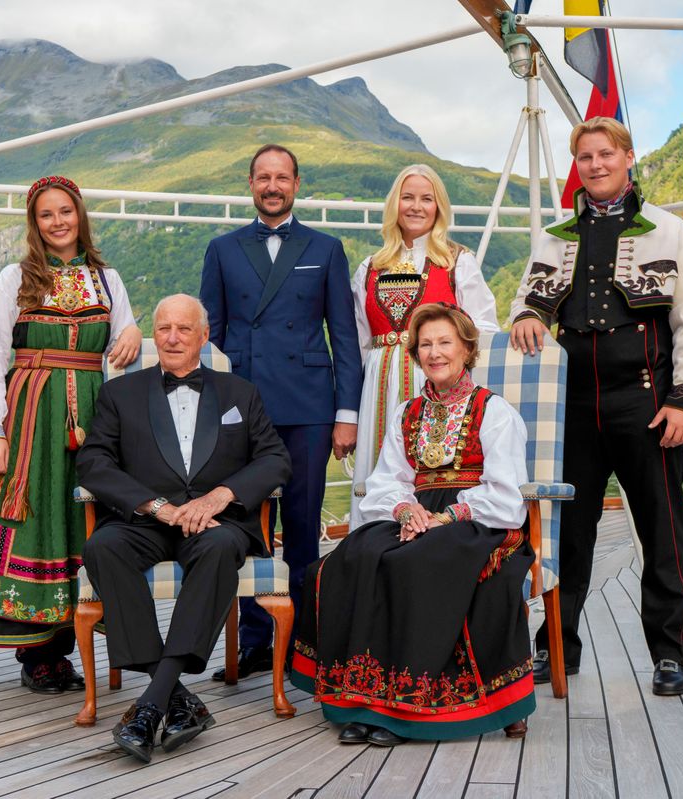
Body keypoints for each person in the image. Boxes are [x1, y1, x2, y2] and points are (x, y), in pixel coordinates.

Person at [508, 117, 683, 696]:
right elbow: (528, 301)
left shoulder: (672, 234)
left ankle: (670, 654)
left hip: (646, 403)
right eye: (585, 157)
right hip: (572, 406)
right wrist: (527, 315)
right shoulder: (554, 237)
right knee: (569, 532)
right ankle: (557, 649)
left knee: (661, 530)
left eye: (605, 154)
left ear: (627, 158)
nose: (595, 165)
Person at [291, 303, 534, 746]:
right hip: (416, 514)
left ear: (466, 349)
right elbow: (389, 479)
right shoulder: (407, 411)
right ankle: (363, 700)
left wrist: (446, 516)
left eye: (445, 343)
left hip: (478, 519)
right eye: (426, 345)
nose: (435, 353)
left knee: (415, 564)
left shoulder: (494, 411)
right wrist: (406, 511)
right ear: (415, 353)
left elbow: (505, 492)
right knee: (354, 558)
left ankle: (407, 708)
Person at [0, 175, 143, 693]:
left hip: (96, 416)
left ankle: (86, 636)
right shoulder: (16, 277)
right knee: (37, 520)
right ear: (34, 224)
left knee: (85, 520)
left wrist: (133, 330)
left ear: (80, 215)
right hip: (31, 415)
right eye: (46, 215)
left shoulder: (108, 279)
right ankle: (39, 654)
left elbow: (125, 346)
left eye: (65, 212)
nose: (58, 222)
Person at [77, 294, 291, 763]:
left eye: (184, 329)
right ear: (154, 335)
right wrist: (156, 506)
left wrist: (221, 495)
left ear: (204, 335)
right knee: (103, 547)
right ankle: (174, 698)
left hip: (217, 522)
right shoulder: (120, 393)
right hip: (147, 520)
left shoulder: (240, 392)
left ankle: (150, 703)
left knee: (217, 550)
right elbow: (92, 462)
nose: (172, 338)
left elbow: (276, 458)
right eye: (164, 329)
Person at [200, 144, 363, 679]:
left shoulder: (326, 247)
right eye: (263, 178)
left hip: (309, 405)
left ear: (297, 183)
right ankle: (251, 639)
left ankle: (304, 642)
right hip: (241, 406)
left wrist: (347, 413)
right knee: (243, 523)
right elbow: (211, 337)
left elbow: (343, 336)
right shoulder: (222, 249)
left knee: (300, 521)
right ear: (250, 184)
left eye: (282, 178)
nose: (273, 186)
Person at [350, 164, 500, 528]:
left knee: (432, 467)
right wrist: (353, 412)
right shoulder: (369, 267)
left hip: (435, 381)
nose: (416, 206)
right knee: (379, 472)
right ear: (394, 205)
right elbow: (357, 341)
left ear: (439, 207)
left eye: (427, 199)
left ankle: (431, 536)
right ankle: (373, 549)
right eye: (408, 197)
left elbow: (483, 329)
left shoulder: (457, 262)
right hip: (379, 385)